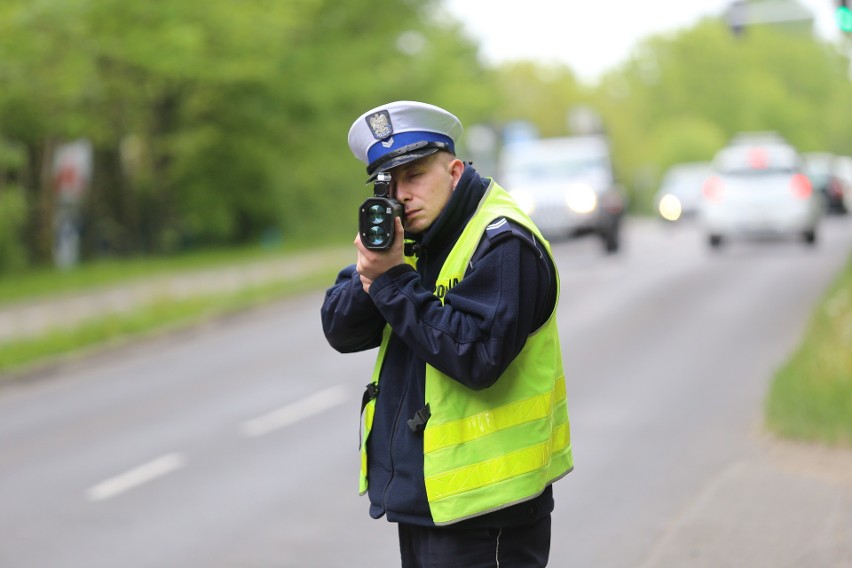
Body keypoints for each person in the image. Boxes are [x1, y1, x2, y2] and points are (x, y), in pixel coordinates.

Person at [321, 100, 573, 568]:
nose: (401, 196)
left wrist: (393, 280)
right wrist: (371, 269)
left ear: (454, 170)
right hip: (428, 504)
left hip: (491, 512)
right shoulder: (413, 238)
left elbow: (475, 355)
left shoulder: (502, 241)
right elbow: (340, 329)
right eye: (389, 184)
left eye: (414, 176)